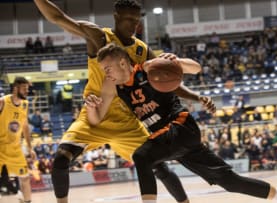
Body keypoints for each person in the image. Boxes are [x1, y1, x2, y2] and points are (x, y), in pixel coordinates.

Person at [86, 43, 277, 203]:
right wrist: (91, 107)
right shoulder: (110, 86)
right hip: (168, 138)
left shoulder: (150, 67)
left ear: (124, 63)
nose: (106, 73)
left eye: (108, 68)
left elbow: (195, 68)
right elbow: (95, 120)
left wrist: (176, 60)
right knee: (230, 181)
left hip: (180, 126)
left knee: (142, 156)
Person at [34, 0, 189, 203]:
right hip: (94, 116)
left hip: (127, 122)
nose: (134, 24)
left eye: (136, 19)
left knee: (160, 167)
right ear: (116, 17)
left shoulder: (142, 50)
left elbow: (167, 79)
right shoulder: (99, 37)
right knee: (61, 159)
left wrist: (196, 96)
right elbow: (57, 17)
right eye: (128, 19)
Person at [0, 76, 36, 203]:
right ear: (15, 89)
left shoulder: (25, 105)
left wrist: (30, 148)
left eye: (27, 88)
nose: (27, 91)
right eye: (24, 88)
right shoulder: (3, 102)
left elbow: (25, 127)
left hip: (15, 149)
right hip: (1, 148)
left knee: (25, 178)